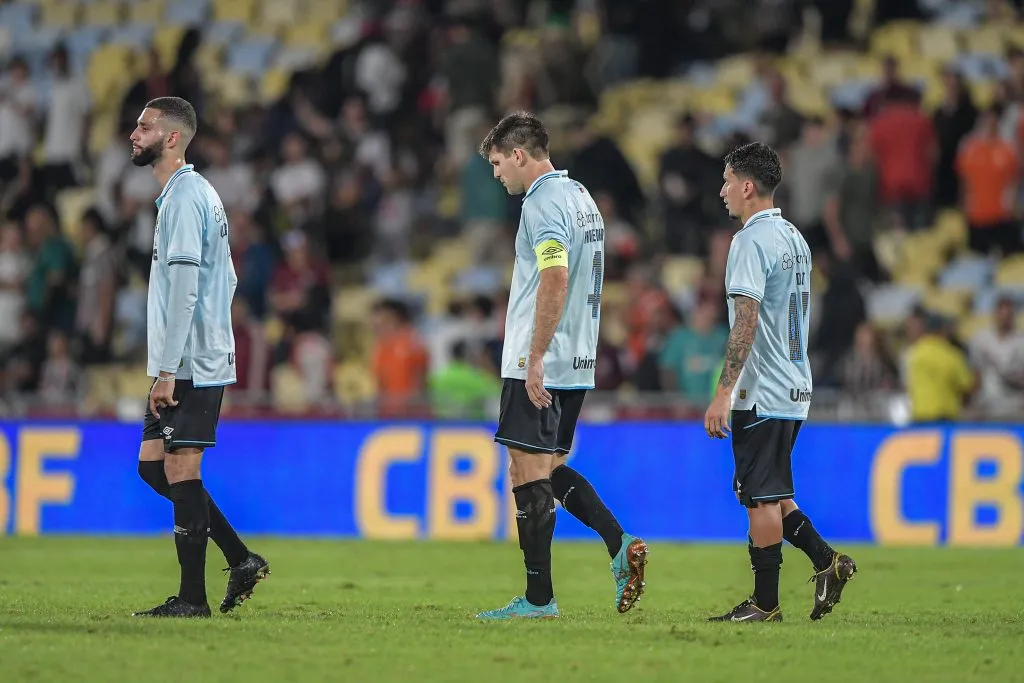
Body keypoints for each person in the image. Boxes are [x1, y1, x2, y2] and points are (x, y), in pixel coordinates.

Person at [474, 112, 648, 621]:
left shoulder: (542, 202)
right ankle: (619, 543)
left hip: (542, 358)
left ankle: (538, 600)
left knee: (526, 473)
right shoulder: (581, 197)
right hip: (577, 358)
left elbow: (554, 276)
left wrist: (534, 357)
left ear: (519, 155)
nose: (496, 174)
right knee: (546, 468)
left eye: (498, 163)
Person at [128, 97, 269, 618]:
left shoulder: (187, 198)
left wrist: (170, 368)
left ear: (172, 138)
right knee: (154, 468)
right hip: (183, 357)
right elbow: (225, 278)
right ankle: (240, 558)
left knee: (181, 468)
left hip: (190, 362)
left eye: (144, 127)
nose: (133, 134)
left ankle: (192, 600)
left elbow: (187, 287)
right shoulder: (190, 194)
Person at [704, 142, 856, 623]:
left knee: (760, 499)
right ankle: (827, 561)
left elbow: (745, 321)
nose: (723, 191)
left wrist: (723, 393)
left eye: (728, 181)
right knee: (770, 490)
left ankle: (765, 604)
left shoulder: (749, 242)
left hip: (762, 389)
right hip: (793, 383)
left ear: (748, 186)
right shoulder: (794, 238)